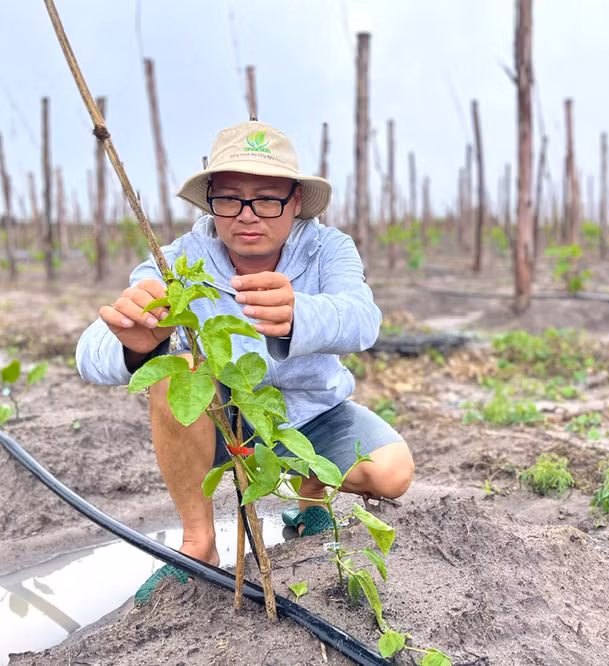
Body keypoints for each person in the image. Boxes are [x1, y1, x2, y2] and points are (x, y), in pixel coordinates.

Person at [74, 120, 414, 602]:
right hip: (222, 423)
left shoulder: (326, 248)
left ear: (296, 201)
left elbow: (363, 319)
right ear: (210, 198)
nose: (247, 216)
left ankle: (308, 500)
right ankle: (199, 544)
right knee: (179, 374)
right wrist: (138, 344)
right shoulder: (180, 261)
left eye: (267, 199)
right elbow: (89, 353)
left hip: (311, 415)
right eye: (230, 198)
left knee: (391, 472)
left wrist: (300, 313)